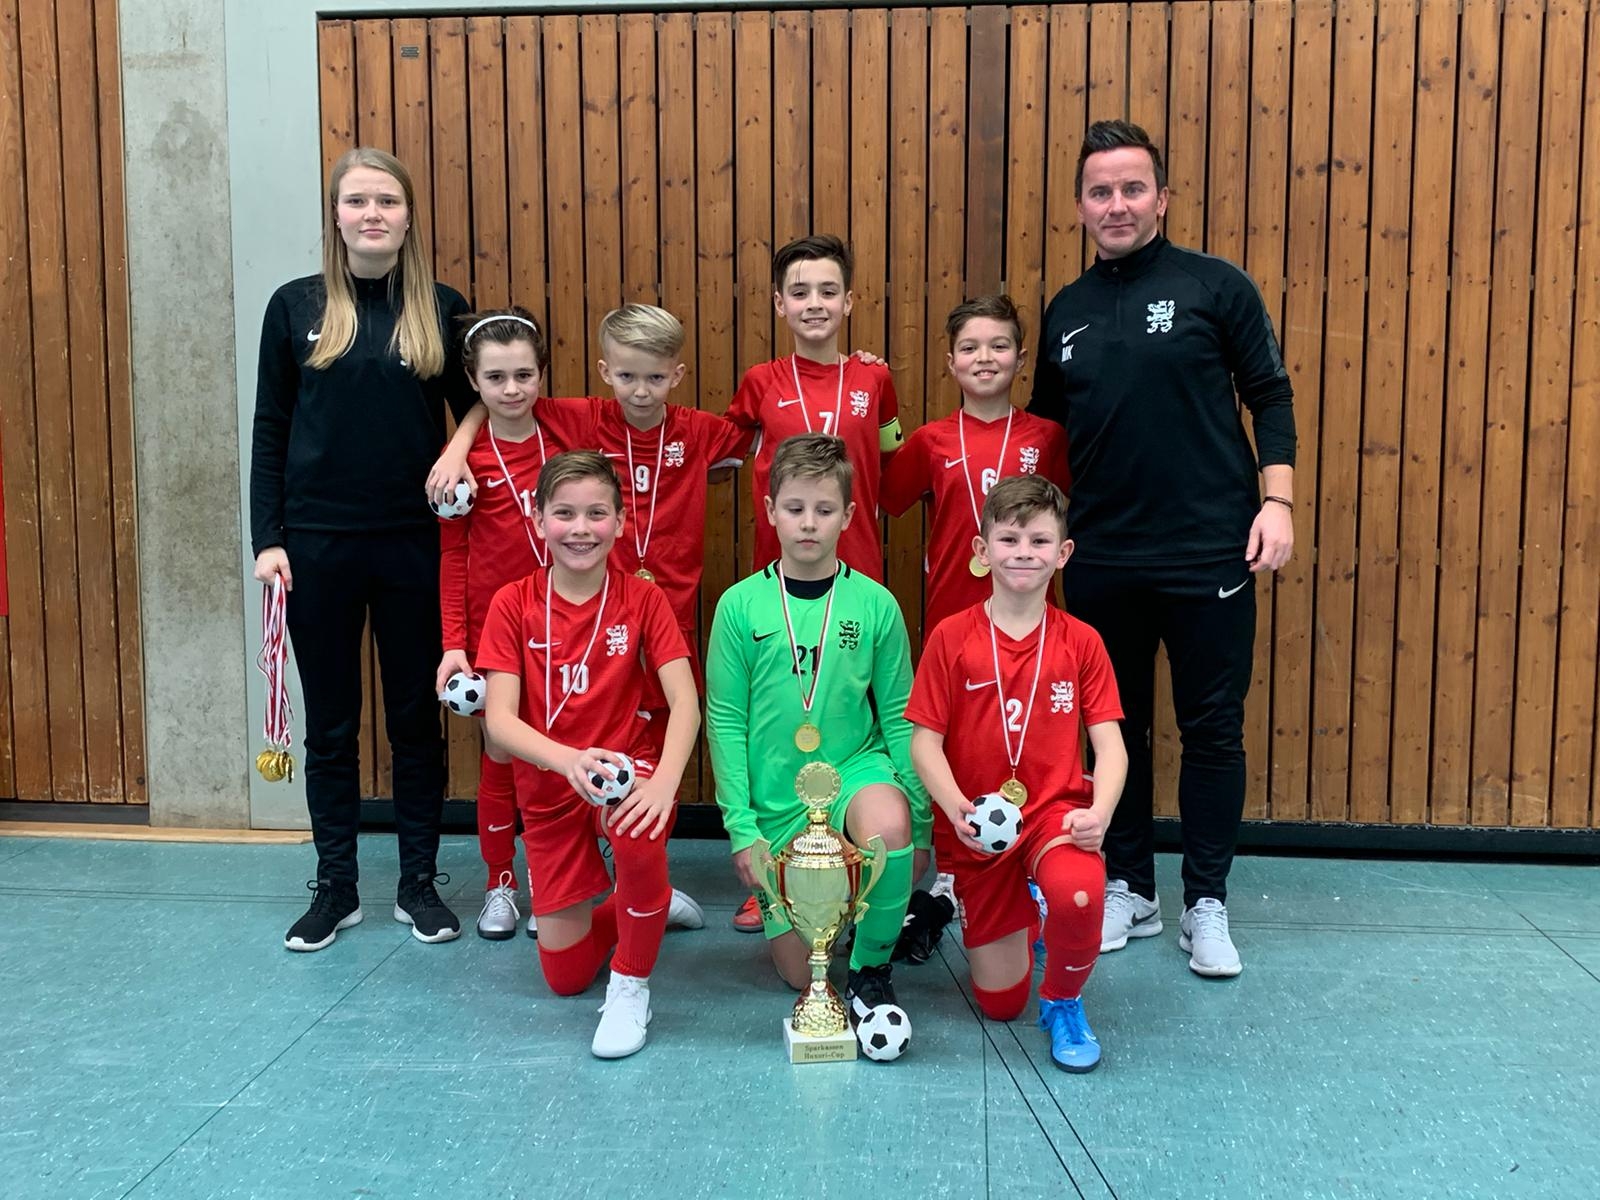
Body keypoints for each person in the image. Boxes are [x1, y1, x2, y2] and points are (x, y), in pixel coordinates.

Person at [1028, 120, 1296, 978]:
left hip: (1210, 549)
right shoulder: (1066, 310)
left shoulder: (1214, 286)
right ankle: (1130, 887)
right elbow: (1046, 433)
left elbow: (1271, 395)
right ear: (1081, 207)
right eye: (1100, 191)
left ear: (1162, 198)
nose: (1117, 204)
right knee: (1117, 728)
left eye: (1132, 188)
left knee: (1212, 728)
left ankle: (1206, 901)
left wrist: (1278, 502)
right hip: (1103, 554)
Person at [252, 146, 472, 952]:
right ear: (336, 216)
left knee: (416, 721)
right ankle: (336, 888)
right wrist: (268, 538)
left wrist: (459, 445)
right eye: (357, 201)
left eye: (387, 200)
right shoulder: (294, 306)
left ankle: (418, 885)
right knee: (332, 727)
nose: (372, 213)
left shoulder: (441, 308)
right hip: (317, 547)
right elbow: (271, 426)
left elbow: (484, 401)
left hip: (415, 545)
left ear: (408, 217)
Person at [477, 451, 704, 1059]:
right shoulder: (512, 602)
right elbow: (499, 720)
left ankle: (631, 985)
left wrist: (664, 785)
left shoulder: (643, 599)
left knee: (636, 825)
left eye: (597, 514)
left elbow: (685, 702)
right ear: (538, 519)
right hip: (551, 787)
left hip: (627, 769)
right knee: (566, 976)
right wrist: (567, 760)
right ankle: (650, 904)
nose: (581, 528)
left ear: (621, 522)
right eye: (565, 513)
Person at [705, 434, 930, 1042]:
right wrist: (742, 829)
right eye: (795, 508)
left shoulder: (876, 604)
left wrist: (921, 824)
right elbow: (724, 719)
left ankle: (871, 973)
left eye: (824, 509)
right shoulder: (738, 606)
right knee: (798, 975)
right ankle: (874, 916)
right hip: (778, 802)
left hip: (854, 770)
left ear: (849, 516)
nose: (809, 523)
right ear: (770, 510)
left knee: (888, 830)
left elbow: (900, 717)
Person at [907, 475, 1126, 1072]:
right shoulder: (952, 637)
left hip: (1055, 815)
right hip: (982, 830)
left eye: (1039, 540)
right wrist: (955, 807)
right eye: (1008, 539)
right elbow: (924, 743)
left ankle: (1063, 1001)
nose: (1023, 552)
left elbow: (1111, 746)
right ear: (982, 551)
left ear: (1063, 552)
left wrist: (1099, 813)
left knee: (1079, 893)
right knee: (1001, 1004)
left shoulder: (1082, 642)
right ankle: (1027, 911)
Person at [434, 308, 568, 941]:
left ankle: (554, 879)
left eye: (524, 375)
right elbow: (453, 557)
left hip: (568, 624)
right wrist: (453, 644)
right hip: (499, 635)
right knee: (502, 751)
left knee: (557, 754)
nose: (512, 389)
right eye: (495, 378)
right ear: (473, 381)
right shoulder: (459, 469)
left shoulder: (566, 435)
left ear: (542, 373)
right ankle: (500, 882)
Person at [882, 293, 1071, 637]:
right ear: (952, 363)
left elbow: (1089, 506)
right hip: (951, 610)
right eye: (969, 348)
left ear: (1020, 359)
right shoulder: (930, 441)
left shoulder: (1048, 437)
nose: (984, 357)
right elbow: (879, 501)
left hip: (1033, 614)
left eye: (999, 346)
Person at [725, 235, 903, 583]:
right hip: (779, 568)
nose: (815, 304)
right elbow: (720, 454)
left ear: (847, 302)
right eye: (800, 293)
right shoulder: (760, 382)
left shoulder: (875, 378)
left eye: (828, 292)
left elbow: (891, 464)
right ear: (780, 304)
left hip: (857, 565)